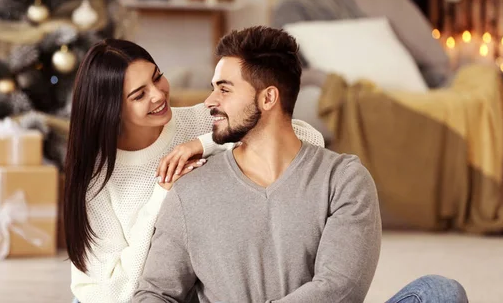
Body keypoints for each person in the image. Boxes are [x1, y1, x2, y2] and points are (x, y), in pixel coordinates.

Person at [133, 26, 468, 303]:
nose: (210, 101)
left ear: (268, 98)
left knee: (440, 292)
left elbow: (340, 287)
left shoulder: (343, 179)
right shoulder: (191, 189)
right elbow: (155, 292)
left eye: (224, 89)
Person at [64, 39, 324, 303]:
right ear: (111, 109)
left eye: (157, 78)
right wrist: (162, 194)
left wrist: (204, 144)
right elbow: (108, 295)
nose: (158, 95)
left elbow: (308, 139)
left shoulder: (202, 121)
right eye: (139, 95)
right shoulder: (98, 178)